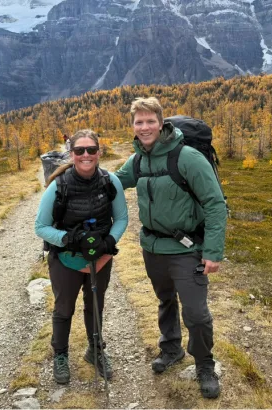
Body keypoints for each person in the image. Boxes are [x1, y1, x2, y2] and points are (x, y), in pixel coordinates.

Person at [115, 97, 227, 399]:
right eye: (139, 122)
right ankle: (172, 349)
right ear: (133, 126)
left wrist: (213, 251)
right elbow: (115, 182)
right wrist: (78, 174)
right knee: (165, 300)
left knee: (196, 312)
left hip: (186, 248)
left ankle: (204, 365)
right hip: (152, 247)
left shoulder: (187, 157)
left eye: (150, 121)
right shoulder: (137, 159)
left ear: (161, 122)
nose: (144, 127)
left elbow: (215, 203)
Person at [35, 129, 128, 384]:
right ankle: (61, 355)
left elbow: (121, 219)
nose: (86, 155)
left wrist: (108, 242)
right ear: (72, 153)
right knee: (64, 308)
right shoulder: (59, 185)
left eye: (91, 150)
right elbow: (40, 227)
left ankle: (95, 351)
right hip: (65, 259)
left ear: (99, 152)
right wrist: (70, 239)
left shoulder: (111, 182)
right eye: (79, 150)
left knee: (95, 305)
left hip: (101, 258)